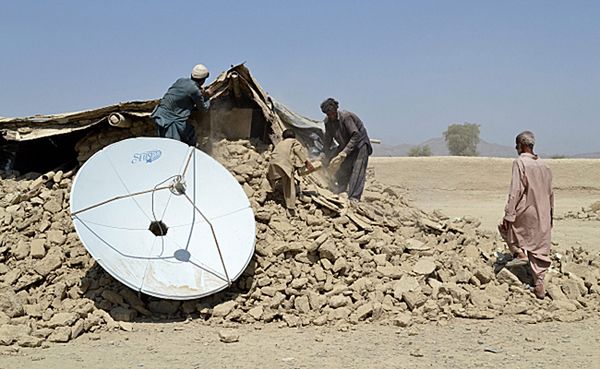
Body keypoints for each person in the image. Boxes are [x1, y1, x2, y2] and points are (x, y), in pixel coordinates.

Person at [498, 131, 554, 299]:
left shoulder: (520, 163)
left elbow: (516, 190)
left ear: (522, 145)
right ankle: (539, 284)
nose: (516, 149)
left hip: (526, 211)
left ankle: (519, 253)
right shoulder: (544, 165)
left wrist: (509, 214)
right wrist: (550, 214)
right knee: (539, 247)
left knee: (505, 228)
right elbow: (551, 193)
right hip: (543, 212)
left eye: (517, 145)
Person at [320, 98, 373, 202]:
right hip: (345, 146)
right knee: (343, 169)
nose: (330, 116)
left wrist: (344, 152)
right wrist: (324, 154)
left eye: (332, 113)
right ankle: (341, 191)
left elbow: (355, 135)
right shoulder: (327, 122)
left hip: (360, 145)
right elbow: (328, 139)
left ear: (336, 110)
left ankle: (354, 198)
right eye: (328, 114)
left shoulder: (346, 117)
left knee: (357, 171)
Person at [151, 64, 211, 146]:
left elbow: (181, 93)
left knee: (190, 133)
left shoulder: (181, 80)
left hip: (161, 116)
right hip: (171, 122)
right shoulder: (194, 90)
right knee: (173, 147)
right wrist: (207, 96)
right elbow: (203, 109)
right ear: (203, 80)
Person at [267, 129, 315, 216]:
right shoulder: (294, 142)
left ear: (283, 137)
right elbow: (298, 151)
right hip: (284, 165)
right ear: (294, 137)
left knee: (270, 178)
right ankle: (291, 208)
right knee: (289, 184)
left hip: (272, 165)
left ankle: (271, 191)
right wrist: (307, 163)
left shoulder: (280, 143)